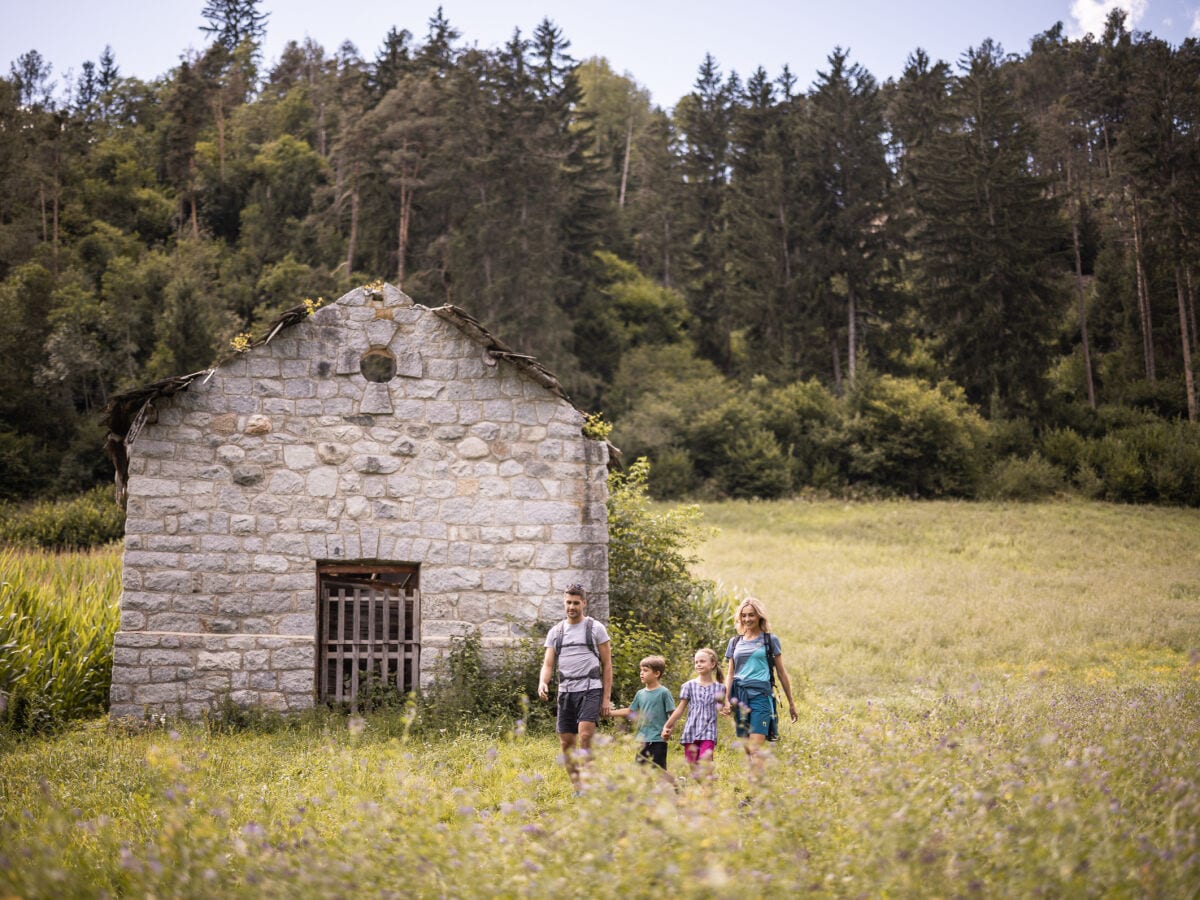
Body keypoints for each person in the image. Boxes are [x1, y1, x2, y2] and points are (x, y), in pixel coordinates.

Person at [538, 583, 613, 792]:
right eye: (568, 602)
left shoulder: (595, 628)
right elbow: (548, 664)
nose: (572, 607)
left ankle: (589, 785)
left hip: (590, 688)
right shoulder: (556, 632)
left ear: (584, 603)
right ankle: (579, 789)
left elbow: (607, 664)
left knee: (585, 736)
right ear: (564, 603)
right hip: (566, 692)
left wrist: (606, 699)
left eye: (576, 603)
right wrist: (543, 682)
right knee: (566, 745)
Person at [721, 598, 798, 775]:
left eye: (751, 615)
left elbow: (781, 674)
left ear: (759, 616)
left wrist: (791, 703)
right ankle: (755, 789)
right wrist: (726, 699)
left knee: (756, 749)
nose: (747, 619)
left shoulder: (770, 641)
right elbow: (730, 673)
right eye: (744, 615)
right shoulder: (735, 642)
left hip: (761, 698)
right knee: (748, 750)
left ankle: (754, 796)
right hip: (739, 698)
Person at [661, 648, 726, 780]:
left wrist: (726, 709)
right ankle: (706, 782)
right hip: (691, 730)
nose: (698, 664)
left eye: (702, 661)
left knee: (705, 760)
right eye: (696, 662)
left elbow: (722, 706)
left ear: (712, 664)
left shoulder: (719, 688)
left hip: (709, 730)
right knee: (693, 767)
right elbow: (680, 709)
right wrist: (667, 725)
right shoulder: (688, 686)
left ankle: (707, 789)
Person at [610, 655, 675, 773]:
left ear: (656, 673)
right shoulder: (640, 694)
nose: (641, 673)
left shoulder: (664, 692)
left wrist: (669, 730)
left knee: (659, 771)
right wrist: (610, 713)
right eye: (641, 670)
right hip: (642, 739)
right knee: (640, 770)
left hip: (658, 738)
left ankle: (676, 786)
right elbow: (630, 711)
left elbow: (673, 713)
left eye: (645, 670)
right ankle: (646, 791)